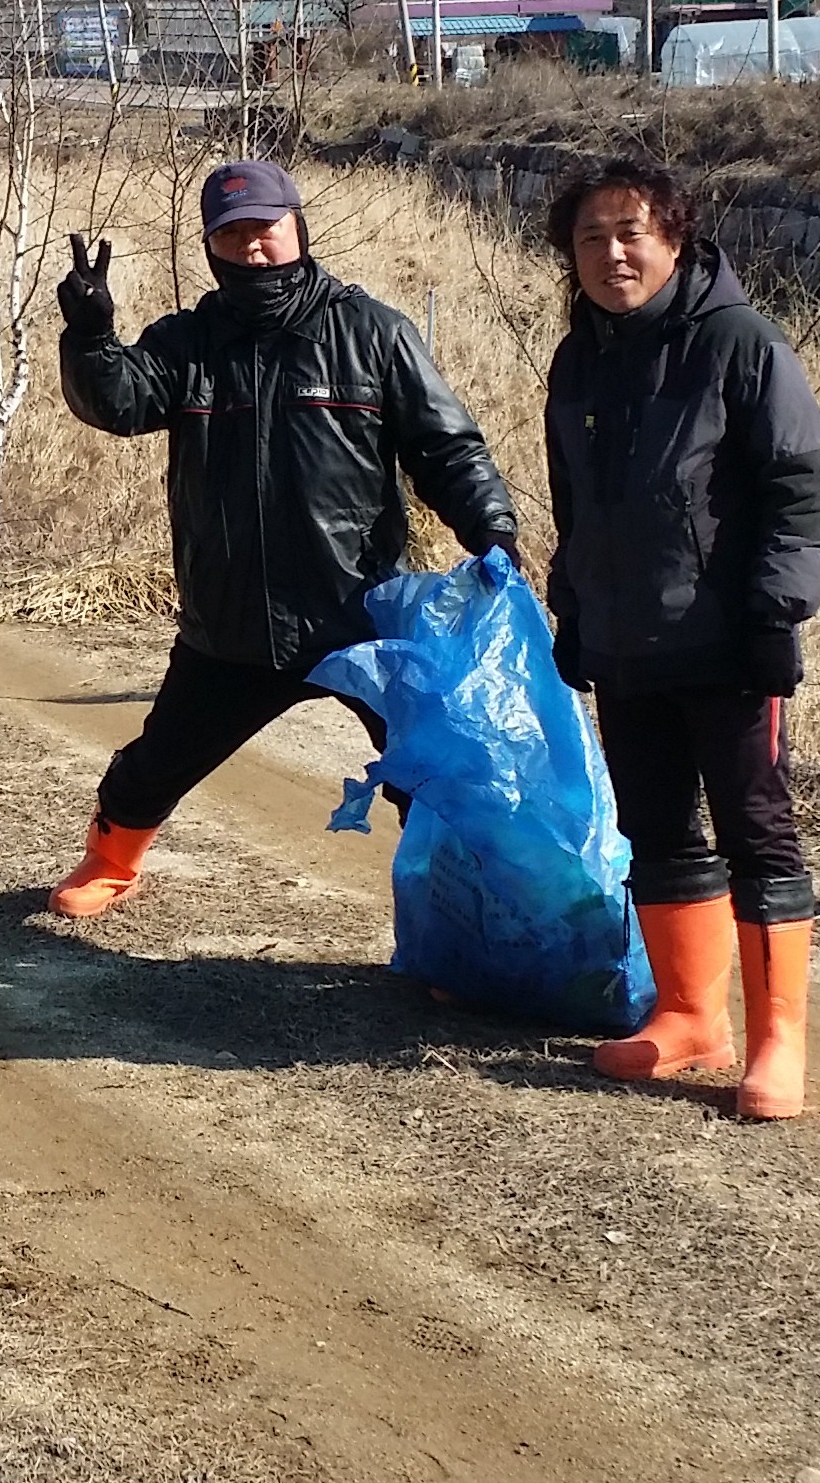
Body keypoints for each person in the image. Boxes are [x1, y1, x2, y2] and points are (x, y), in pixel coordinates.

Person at [48, 154, 520, 915]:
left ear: (297, 227)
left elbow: (447, 447)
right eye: (232, 236)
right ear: (211, 247)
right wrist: (93, 337)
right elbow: (121, 406)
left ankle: (461, 909)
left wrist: (491, 527)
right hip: (232, 619)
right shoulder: (187, 342)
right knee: (158, 762)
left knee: (428, 768)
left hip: (362, 614)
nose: (252, 248)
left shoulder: (373, 334)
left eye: (265, 229)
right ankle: (109, 860)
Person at [542, 155, 820, 1122]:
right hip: (627, 641)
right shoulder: (579, 356)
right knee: (656, 830)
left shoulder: (739, 343)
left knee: (756, 832)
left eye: (631, 232)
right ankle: (687, 1015)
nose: (612, 252)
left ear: (675, 240)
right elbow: (575, 501)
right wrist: (574, 609)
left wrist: (774, 613)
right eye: (592, 236)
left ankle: (775, 1040)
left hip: (726, 641)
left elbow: (798, 484)